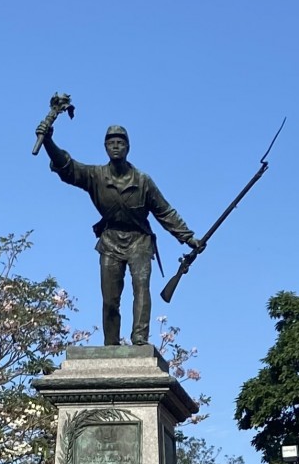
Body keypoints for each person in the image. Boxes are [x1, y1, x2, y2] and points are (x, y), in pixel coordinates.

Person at [36, 121, 204, 346]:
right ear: (105, 147)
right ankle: (111, 343)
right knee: (110, 299)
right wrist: (48, 141)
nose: (115, 146)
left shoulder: (143, 181)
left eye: (120, 143)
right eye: (111, 143)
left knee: (141, 287)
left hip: (139, 240)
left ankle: (140, 339)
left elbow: (165, 212)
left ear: (128, 148)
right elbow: (67, 167)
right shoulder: (95, 175)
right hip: (110, 241)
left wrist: (188, 237)